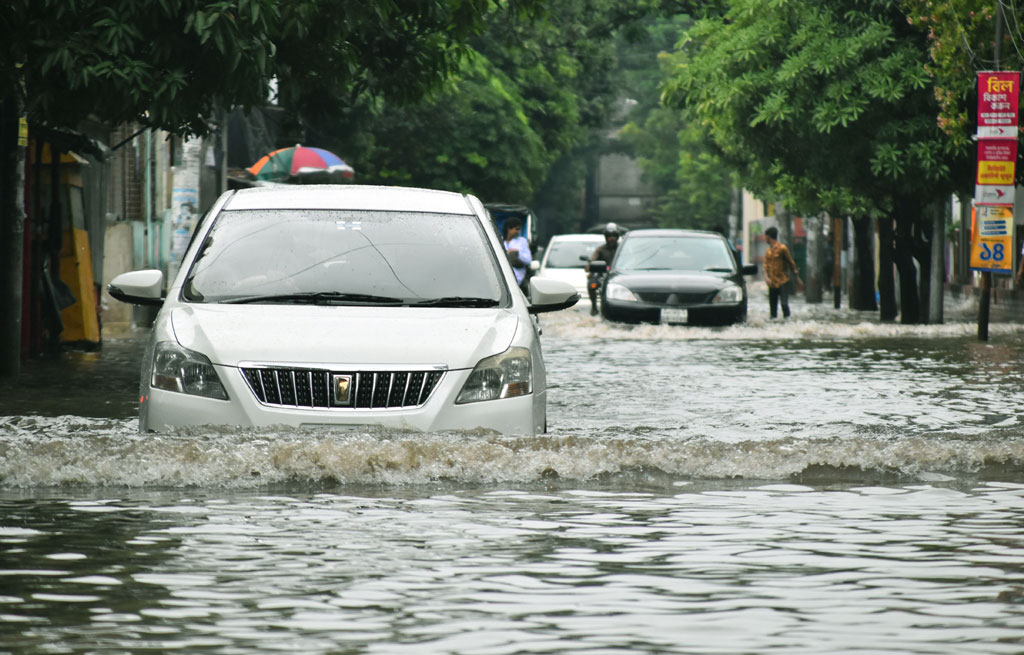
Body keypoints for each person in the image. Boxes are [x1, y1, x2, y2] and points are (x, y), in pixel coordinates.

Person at [763, 226, 799, 319]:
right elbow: (765, 266)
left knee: (784, 304)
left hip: (783, 281)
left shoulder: (782, 248)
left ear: (769, 237)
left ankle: (787, 322)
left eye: (766, 237)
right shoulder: (768, 252)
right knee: (773, 309)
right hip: (772, 283)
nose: (765, 239)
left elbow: (790, 262)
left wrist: (795, 273)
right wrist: (766, 278)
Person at [586, 222, 621, 315]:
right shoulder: (600, 249)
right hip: (602, 274)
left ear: (617, 237)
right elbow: (592, 260)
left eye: (614, 235)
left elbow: (631, 260)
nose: (612, 238)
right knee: (592, 284)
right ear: (606, 237)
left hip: (619, 274)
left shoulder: (622, 248)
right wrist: (590, 266)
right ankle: (594, 306)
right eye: (609, 236)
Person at [503, 217, 532, 293]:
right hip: (503, 279)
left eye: (519, 229)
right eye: (516, 229)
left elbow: (528, 260)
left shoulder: (522, 241)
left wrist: (517, 252)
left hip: (519, 280)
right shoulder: (500, 241)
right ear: (509, 228)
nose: (518, 231)